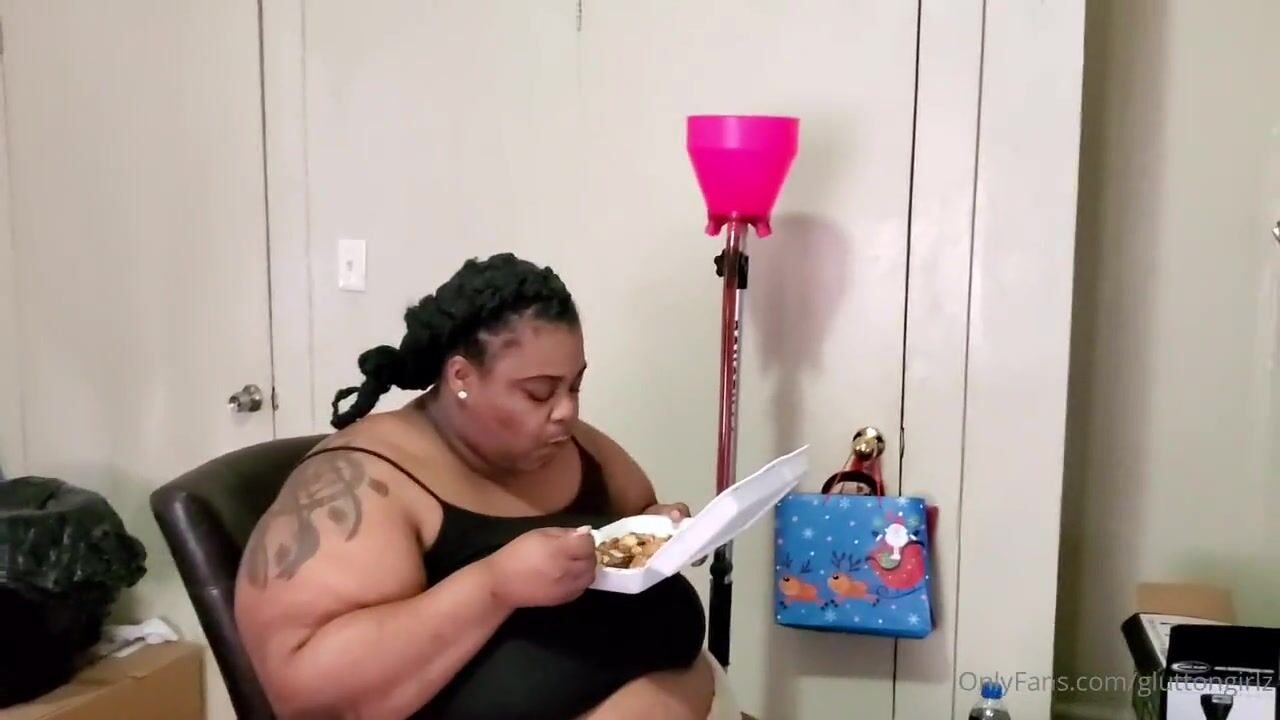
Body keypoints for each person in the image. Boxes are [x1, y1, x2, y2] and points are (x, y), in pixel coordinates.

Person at [234, 253, 743, 719]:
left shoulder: (572, 446)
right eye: (539, 392)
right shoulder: (362, 485)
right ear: (461, 376)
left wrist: (660, 525)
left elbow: (639, 508)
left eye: (574, 386)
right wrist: (494, 585)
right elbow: (303, 693)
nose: (566, 411)